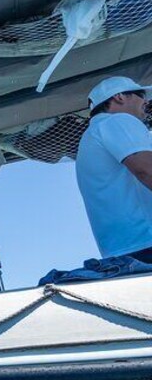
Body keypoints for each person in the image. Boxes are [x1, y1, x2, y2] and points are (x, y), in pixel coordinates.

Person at [76, 76, 152, 261]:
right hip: (146, 240)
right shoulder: (118, 121)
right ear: (119, 97)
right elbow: (147, 170)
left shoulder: (92, 135)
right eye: (141, 95)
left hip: (122, 250)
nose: (146, 101)